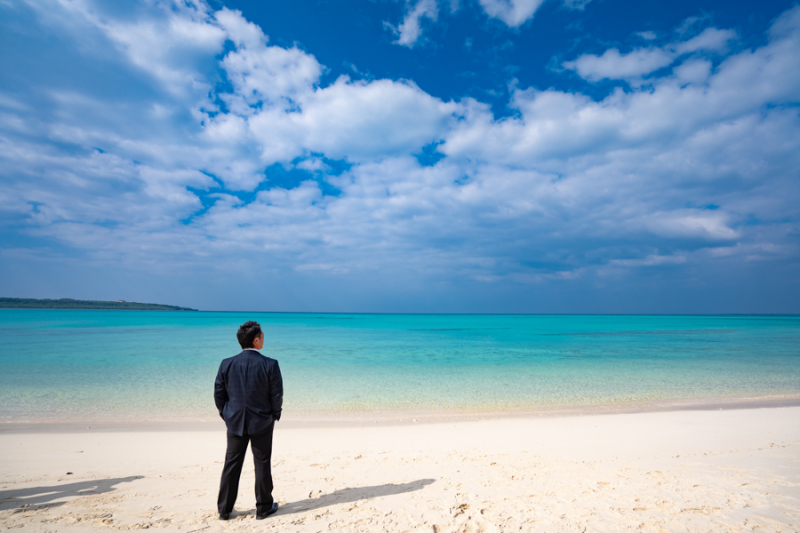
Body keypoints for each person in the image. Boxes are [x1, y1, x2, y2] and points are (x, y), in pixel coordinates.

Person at [214, 321, 283, 520]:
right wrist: (274, 415)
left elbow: (219, 394)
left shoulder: (226, 363)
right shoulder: (270, 364)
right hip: (261, 422)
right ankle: (263, 508)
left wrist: (226, 414)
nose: (264, 338)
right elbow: (276, 395)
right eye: (262, 336)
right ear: (255, 340)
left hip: (235, 421)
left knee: (231, 464)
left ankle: (225, 509)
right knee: (262, 463)